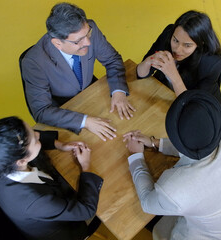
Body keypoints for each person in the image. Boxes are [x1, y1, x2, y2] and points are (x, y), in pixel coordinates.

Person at [123, 90, 221, 239]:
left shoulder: (176, 190)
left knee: (159, 230)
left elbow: (147, 203)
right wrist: (155, 143)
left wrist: (136, 157)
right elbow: (202, 144)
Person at [0, 116, 103, 240]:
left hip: (42, 212)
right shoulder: (36, 201)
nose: (38, 134)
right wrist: (86, 166)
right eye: (35, 139)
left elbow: (25, 139)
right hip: (66, 233)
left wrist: (59, 145)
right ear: (21, 161)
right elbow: (86, 210)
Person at [21, 2, 135, 141]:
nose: (87, 42)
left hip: (91, 93)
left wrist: (118, 91)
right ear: (57, 43)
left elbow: (112, 59)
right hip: (64, 108)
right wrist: (85, 121)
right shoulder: (33, 62)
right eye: (79, 41)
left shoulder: (88, 29)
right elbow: (41, 111)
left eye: (88, 34)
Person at [136, 10, 221, 106]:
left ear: (200, 44)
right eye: (175, 40)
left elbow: (193, 106)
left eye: (187, 45)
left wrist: (173, 75)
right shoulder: (168, 34)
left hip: (192, 105)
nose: (177, 50)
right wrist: (149, 61)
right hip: (163, 93)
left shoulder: (211, 63)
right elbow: (140, 74)